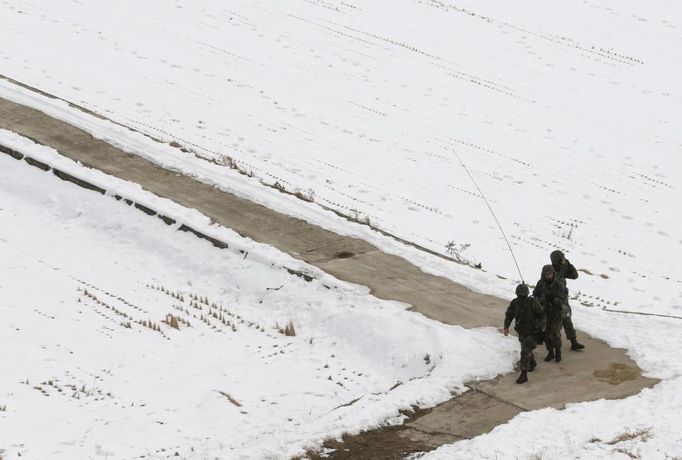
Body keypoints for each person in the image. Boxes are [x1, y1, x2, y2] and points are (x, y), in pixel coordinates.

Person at [504, 283, 546, 384]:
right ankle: (532, 362)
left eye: (523, 295)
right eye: (519, 295)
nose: (521, 297)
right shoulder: (515, 303)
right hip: (522, 331)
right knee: (526, 349)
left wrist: (539, 327)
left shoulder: (533, 302)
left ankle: (524, 374)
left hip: (533, 332)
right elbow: (509, 315)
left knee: (524, 351)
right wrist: (506, 326)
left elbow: (542, 315)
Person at [550, 250, 585, 351]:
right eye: (562, 258)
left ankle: (574, 342)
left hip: (564, 302)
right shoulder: (550, 271)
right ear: (557, 260)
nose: (564, 260)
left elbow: (575, 275)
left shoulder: (562, 268)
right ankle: (553, 345)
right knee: (556, 325)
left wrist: (569, 264)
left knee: (568, 321)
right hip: (555, 303)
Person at [533, 265, 566, 363]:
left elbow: (563, 299)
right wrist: (541, 300)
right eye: (547, 274)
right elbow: (535, 294)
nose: (549, 276)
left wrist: (554, 299)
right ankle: (550, 352)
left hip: (556, 313)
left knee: (555, 334)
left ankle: (558, 351)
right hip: (544, 312)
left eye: (550, 274)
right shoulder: (540, 283)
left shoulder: (558, 284)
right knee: (546, 335)